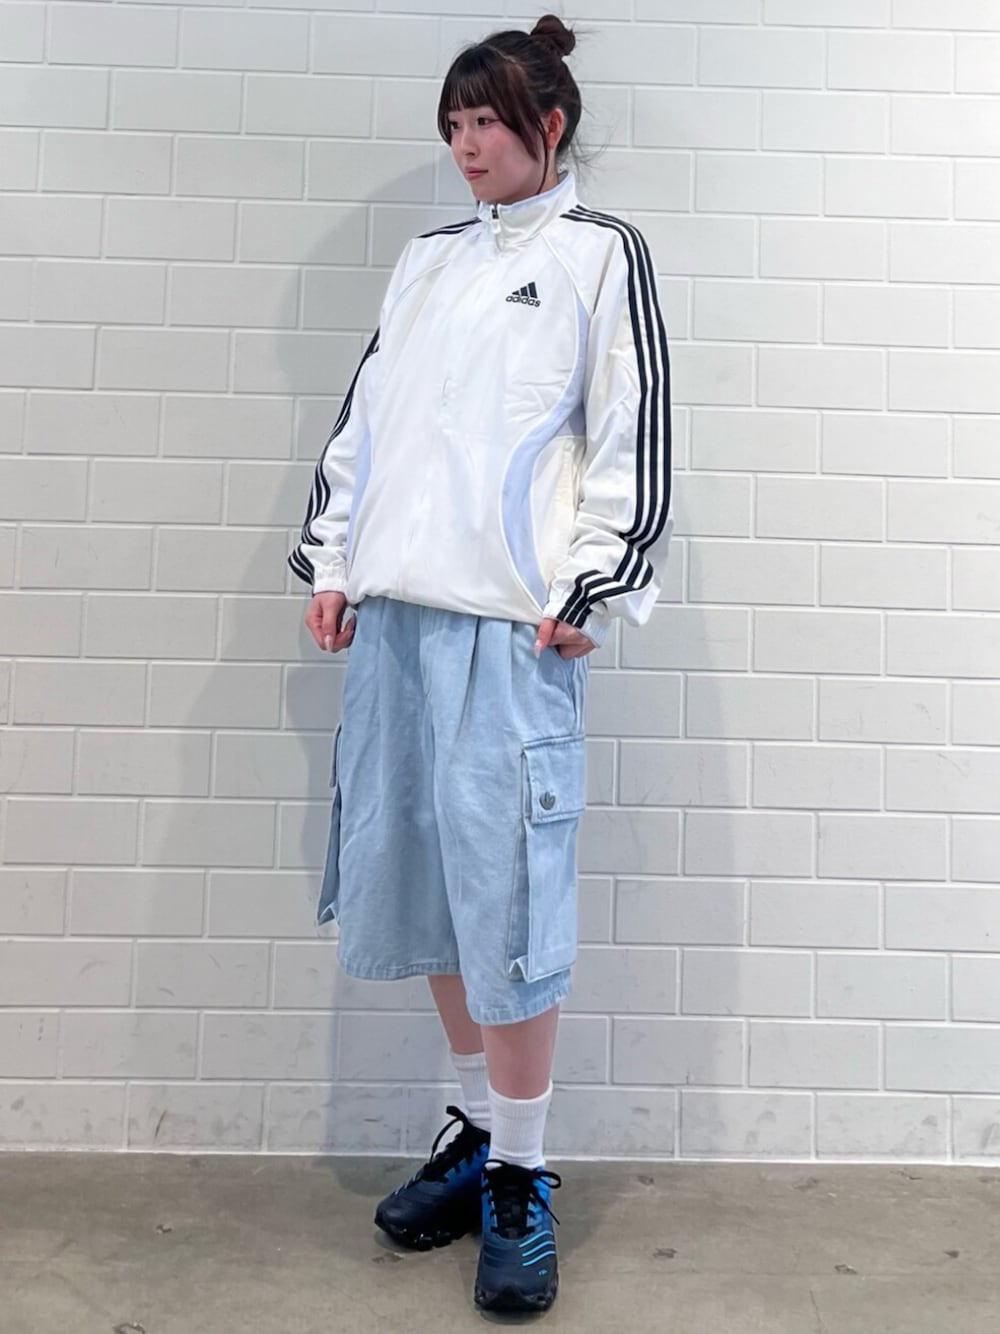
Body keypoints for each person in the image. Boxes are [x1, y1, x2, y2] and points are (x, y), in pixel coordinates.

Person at [289, 14, 671, 1314]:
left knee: (509, 899)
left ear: (548, 125)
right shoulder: (429, 261)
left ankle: (521, 1171)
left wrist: (595, 580)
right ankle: (475, 1128)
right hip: (398, 621)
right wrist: (336, 559)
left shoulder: (599, 254)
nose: (466, 147)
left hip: (514, 629)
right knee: (430, 889)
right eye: (453, 126)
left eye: (488, 123)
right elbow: (366, 420)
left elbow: (630, 427)